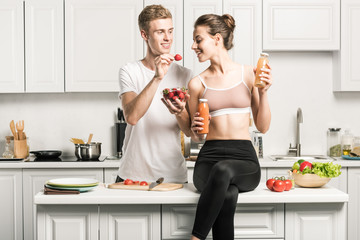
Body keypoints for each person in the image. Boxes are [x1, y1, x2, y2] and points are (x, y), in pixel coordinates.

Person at [187, 14, 272, 240]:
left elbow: (262, 127)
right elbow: (196, 137)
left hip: (244, 161)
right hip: (208, 160)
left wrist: (262, 94)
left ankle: (196, 238)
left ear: (216, 39)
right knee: (227, 194)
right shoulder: (196, 83)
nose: (193, 46)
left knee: (224, 170)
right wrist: (196, 131)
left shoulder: (248, 75)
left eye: (198, 39)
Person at [117, 5, 193, 183]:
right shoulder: (129, 71)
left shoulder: (185, 75)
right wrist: (157, 78)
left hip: (172, 175)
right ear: (145, 35)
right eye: (160, 32)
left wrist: (180, 111)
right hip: (132, 173)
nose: (168, 38)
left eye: (170, 31)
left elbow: (189, 131)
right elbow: (132, 117)